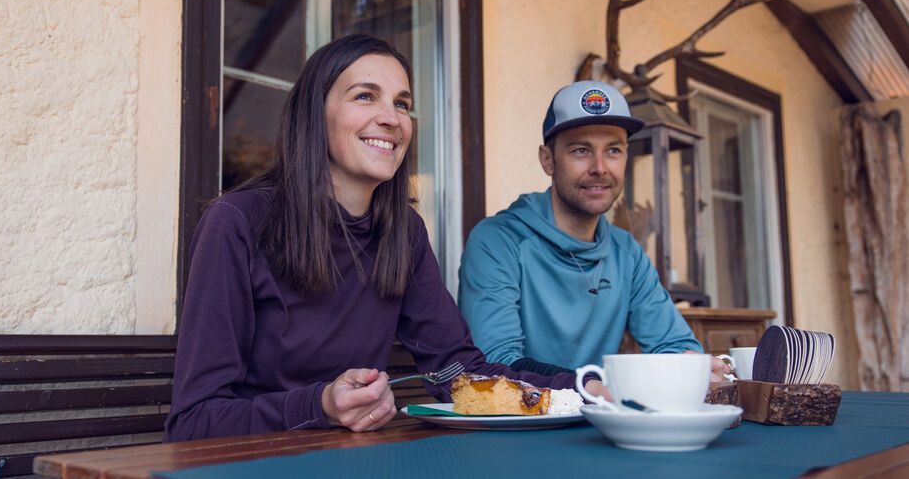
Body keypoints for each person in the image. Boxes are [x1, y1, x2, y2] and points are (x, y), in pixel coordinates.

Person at [164, 35, 604, 442]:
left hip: (358, 460)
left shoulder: (404, 233)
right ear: (314, 114)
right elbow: (193, 420)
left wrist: (587, 387)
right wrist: (320, 404)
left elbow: (458, 372)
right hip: (249, 464)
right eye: (365, 96)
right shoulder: (238, 221)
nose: (391, 118)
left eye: (402, 103)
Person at [458, 80, 727, 381]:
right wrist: (593, 387)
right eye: (581, 150)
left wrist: (694, 366)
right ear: (548, 160)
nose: (600, 167)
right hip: (520, 424)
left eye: (613, 150)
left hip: (601, 419)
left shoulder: (626, 252)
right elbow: (496, 364)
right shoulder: (497, 241)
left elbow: (676, 346)